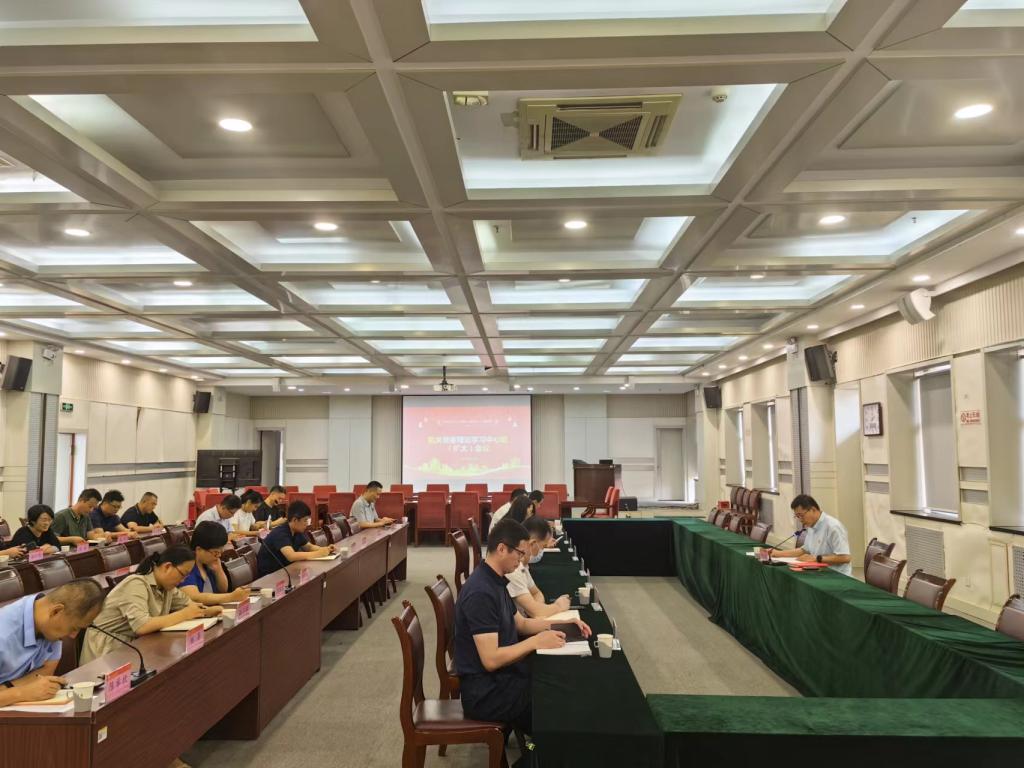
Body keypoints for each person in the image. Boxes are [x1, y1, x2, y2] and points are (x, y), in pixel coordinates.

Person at [454, 518, 590, 736]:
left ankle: (538, 746)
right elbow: (490, 660)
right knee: (554, 705)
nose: (521, 562)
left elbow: (521, 623)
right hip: (486, 693)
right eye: (519, 554)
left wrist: (562, 624)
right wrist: (535, 642)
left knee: (558, 681)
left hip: (504, 677)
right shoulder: (481, 593)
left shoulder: (496, 579)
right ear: (502, 549)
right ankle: (536, 749)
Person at [80, 545, 221, 664]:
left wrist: (208, 611)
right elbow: (142, 626)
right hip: (107, 651)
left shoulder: (167, 587)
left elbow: (189, 606)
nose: (183, 580)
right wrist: (184, 614)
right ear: (167, 567)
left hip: (136, 645)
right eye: (182, 574)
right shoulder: (135, 584)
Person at [0, 578, 105, 706]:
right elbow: (32, 684)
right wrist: (21, 693)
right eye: (73, 628)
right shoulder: (3, 632)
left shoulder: (47, 623)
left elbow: (46, 671)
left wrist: (7, 689)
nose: (73, 636)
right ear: (56, 611)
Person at [759, 494, 852, 576]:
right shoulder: (811, 526)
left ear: (813, 510)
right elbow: (804, 550)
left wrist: (817, 558)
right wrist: (778, 553)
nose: (800, 520)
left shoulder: (833, 527)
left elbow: (845, 558)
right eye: (797, 516)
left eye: (801, 515)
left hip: (837, 576)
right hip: (818, 572)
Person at [506, 517, 570, 619]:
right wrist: (558, 606)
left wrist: (537, 608)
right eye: (543, 546)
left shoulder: (523, 565)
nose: (542, 550)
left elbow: (536, 593)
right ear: (532, 544)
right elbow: (536, 613)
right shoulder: (513, 569)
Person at [178, 522, 251, 606]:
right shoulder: (186, 564)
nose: (219, 556)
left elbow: (223, 590)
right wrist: (231, 597)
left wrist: (218, 571)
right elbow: (194, 597)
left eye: (220, 552)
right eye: (215, 552)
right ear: (199, 549)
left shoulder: (209, 562)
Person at [255, 501, 333, 577]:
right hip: (269, 576)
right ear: (295, 520)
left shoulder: (296, 530)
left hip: (285, 571)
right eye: (305, 520)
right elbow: (291, 556)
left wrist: (326, 549)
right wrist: (318, 553)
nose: (307, 524)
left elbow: (309, 547)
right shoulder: (280, 532)